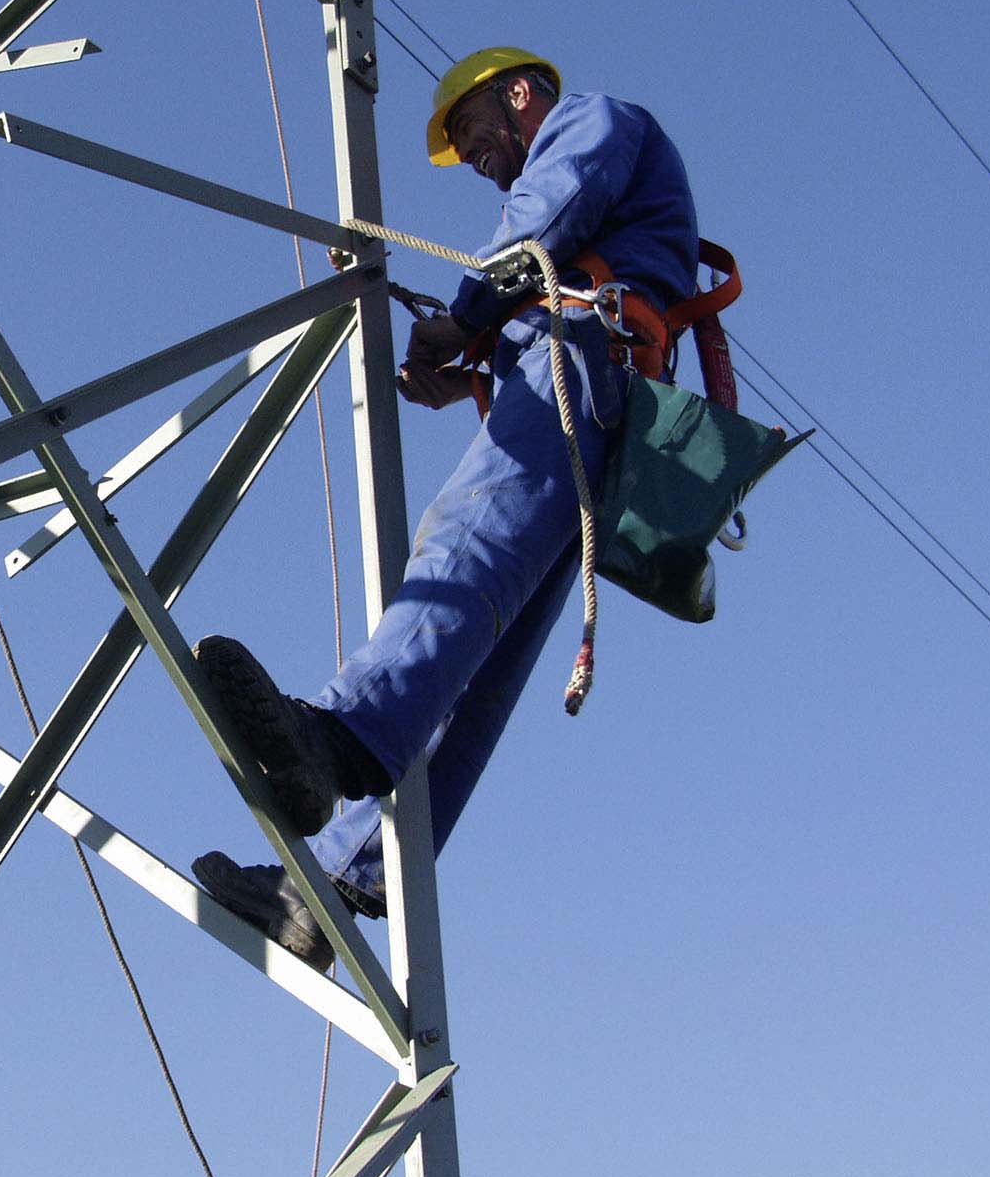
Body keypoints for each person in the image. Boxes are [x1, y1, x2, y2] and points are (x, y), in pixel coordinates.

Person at [193, 47, 700, 969]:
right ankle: (335, 889)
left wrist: (468, 317)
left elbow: (543, 226)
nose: (477, 160)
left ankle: (337, 737)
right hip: (600, 390)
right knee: (481, 662)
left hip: (585, 368)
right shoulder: (588, 206)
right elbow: (543, 280)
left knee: (463, 552)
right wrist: (470, 357)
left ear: (518, 96)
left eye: (472, 136)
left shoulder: (595, 117)